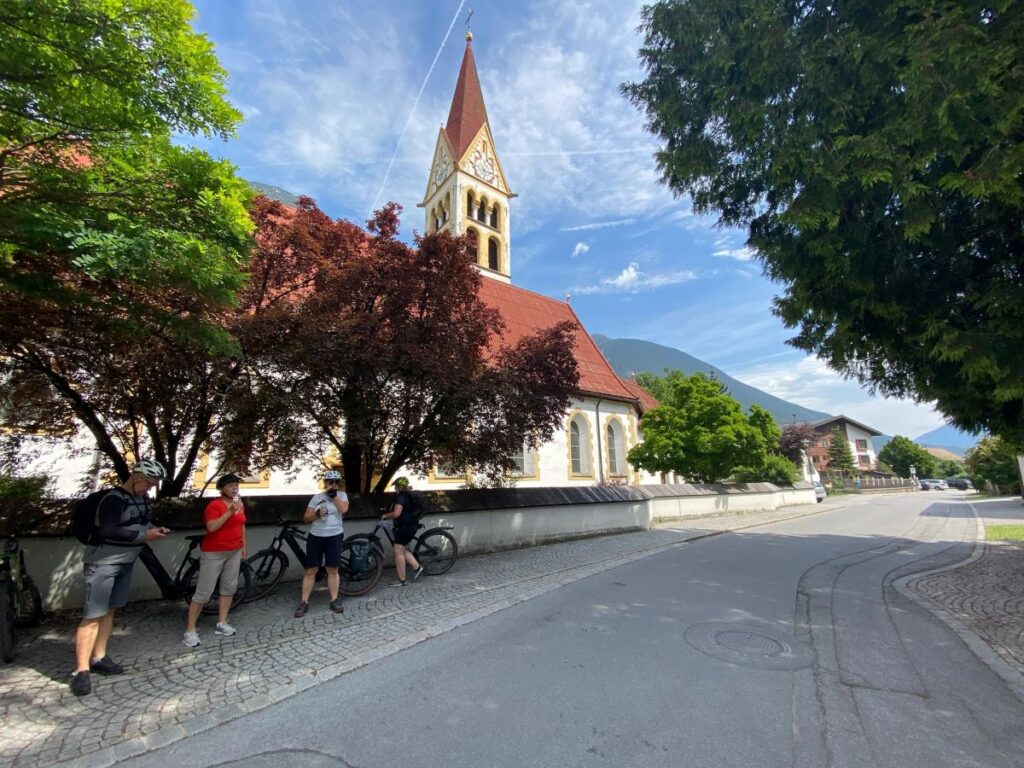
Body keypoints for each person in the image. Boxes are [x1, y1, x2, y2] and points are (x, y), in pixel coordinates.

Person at [71, 459, 170, 697]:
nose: (150, 488)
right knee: (92, 615)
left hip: (126, 561)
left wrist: (155, 529)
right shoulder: (113, 499)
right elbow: (108, 530)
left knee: (110, 610)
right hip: (103, 562)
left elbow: (140, 522)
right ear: (137, 477)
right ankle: (81, 671)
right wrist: (144, 535)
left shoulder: (141, 498)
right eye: (148, 483)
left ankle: (100, 657)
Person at [183, 473, 248, 648]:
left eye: (236, 485)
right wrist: (229, 512)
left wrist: (243, 546)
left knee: (228, 587)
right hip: (214, 552)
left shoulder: (239, 504)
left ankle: (222, 622)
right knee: (204, 591)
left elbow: (242, 525)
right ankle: (190, 630)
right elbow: (211, 527)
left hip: (234, 551)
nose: (234, 488)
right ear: (222, 489)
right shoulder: (215, 505)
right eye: (230, 485)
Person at [294, 470, 348, 618]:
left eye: (336, 482)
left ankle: (334, 600)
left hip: (334, 536)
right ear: (325, 483)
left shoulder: (342, 496)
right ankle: (304, 602)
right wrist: (316, 514)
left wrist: (334, 496)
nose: (333, 484)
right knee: (311, 570)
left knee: (332, 569)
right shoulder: (317, 498)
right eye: (330, 482)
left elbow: (344, 509)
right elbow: (306, 518)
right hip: (316, 536)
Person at [380, 476, 424, 586]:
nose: (395, 489)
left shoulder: (401, 497)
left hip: (405, 527)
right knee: (402, 549)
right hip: (411, 525)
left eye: (396, 487)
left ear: (399, 487)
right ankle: (417, 567)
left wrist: (385, 516)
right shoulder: (408, 495)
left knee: (398, 551)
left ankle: (402, 580)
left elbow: (396, 514)